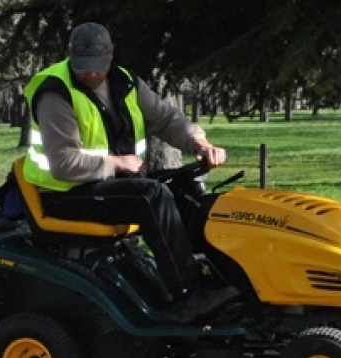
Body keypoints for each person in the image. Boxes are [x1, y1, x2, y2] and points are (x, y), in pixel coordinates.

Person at [22, 22, 238, 322]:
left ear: (111, 55)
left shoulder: (125, 82)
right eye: (83, 67)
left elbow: (164, 119)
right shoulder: (55, 93)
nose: (91, 74)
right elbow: (63, 164)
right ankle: (187, 295)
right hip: (64, 194)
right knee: (151, 196)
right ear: (70, 56)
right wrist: (118, 163)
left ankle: (219, 277)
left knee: (184, 190)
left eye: (97, 66)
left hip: (107, 185)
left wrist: (198, 143)